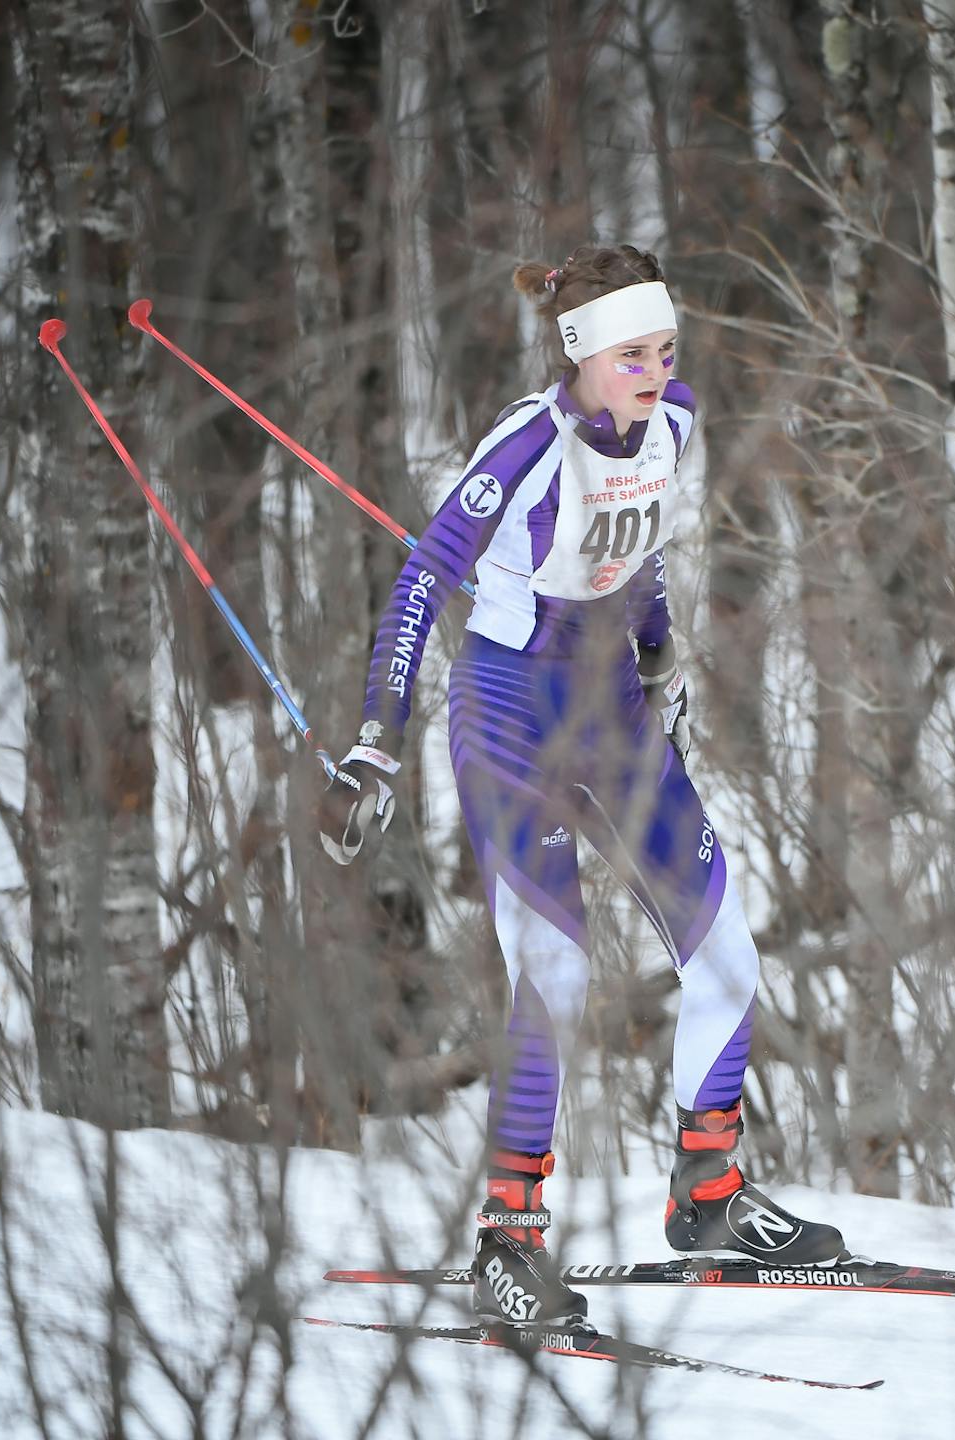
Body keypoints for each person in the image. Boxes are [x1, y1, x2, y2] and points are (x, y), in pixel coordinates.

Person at [317, 244, 847, 1327]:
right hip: (511, 714)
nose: (654, 372)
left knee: (727, 955)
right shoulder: (524, 442)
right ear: (579, 354)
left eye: (664, 350)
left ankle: (709, 1194)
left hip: (611, 710)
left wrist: (655, 650)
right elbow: (423, 580)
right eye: (630, 355)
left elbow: (635, 543)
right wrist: (377, 738)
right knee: (552, 973)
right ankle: (506, 1246)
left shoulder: (678, 420)